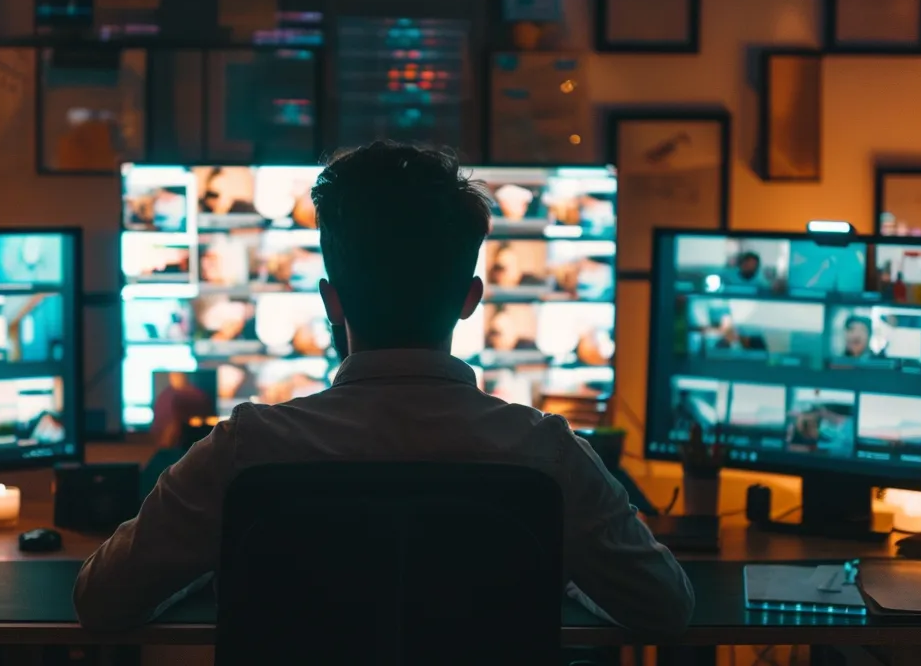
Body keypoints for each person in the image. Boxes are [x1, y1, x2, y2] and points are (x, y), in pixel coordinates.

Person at [75, 141, 695, 634]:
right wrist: (555, 568)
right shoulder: (549, 455)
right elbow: (665, 606)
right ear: (469, 301)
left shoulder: (245, 450)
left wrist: (221, 560)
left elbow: (101, 601)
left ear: (331, 302)